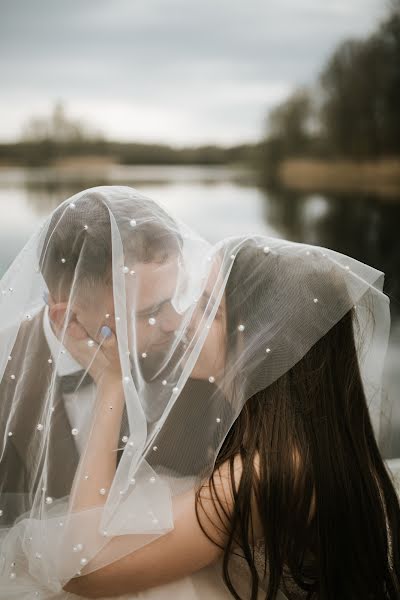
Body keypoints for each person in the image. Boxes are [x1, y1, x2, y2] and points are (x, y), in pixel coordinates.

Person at [0, 188, 399, 599]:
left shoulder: (269, 471)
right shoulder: (279, 432)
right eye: (197, 302)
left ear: (264, 341)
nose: (182, 320)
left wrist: (111, 386)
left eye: (208, 308)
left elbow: (83, 567)